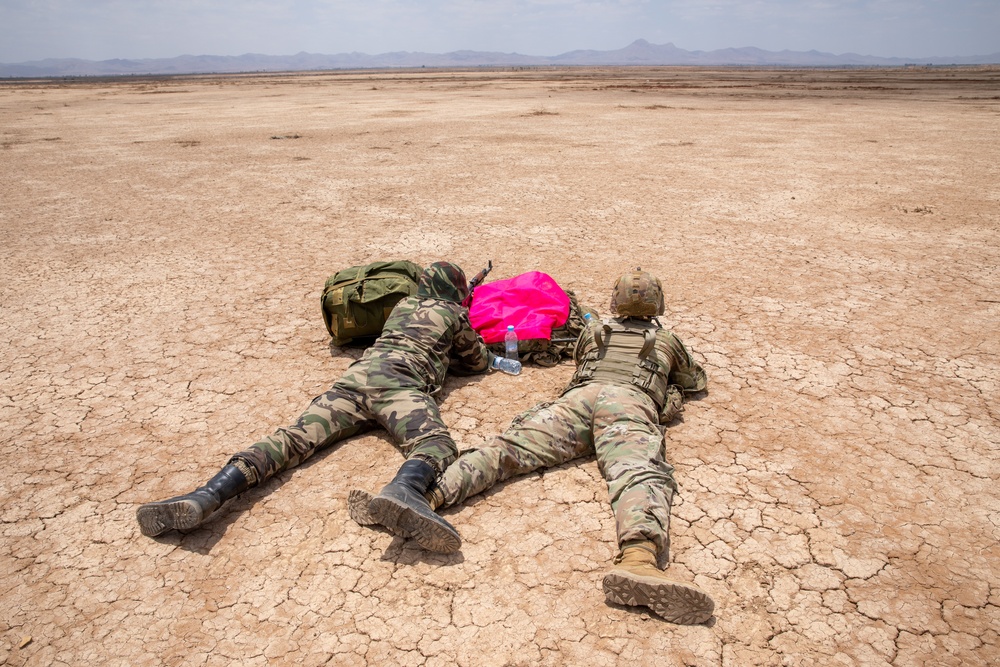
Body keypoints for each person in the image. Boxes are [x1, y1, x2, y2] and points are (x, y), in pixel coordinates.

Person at [350, 269, 715, 624]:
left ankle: (424, 498)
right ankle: (639, 559)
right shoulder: (667, 341)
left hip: (577, 402)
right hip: (628, 405)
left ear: (615, 302)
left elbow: (583, 360)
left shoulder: (593, 331)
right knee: (636, 471)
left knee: (506, 449)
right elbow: (693, 380)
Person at [136, 261, 520, 552]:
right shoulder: (453, 313)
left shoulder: (403, 305)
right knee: (435, 445)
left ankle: (207, 495)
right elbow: (477, 362)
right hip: (398, 386)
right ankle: (404, 491)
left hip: (355, 381)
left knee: (293, 439)